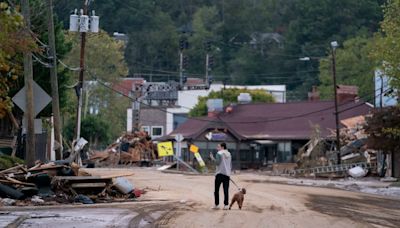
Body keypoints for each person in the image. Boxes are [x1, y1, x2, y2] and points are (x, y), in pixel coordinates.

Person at [210, 142, 232, 210]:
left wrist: (212, 158)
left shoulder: (219, 153)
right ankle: (226, 205)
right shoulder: (229, 154)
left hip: (219, 174)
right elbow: (230, 165)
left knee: (216, 190)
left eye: (218, 146)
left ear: (222, 147)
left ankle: (216, 205)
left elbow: (217, 163)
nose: (217, 148)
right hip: (227, 174)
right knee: (226, 190)